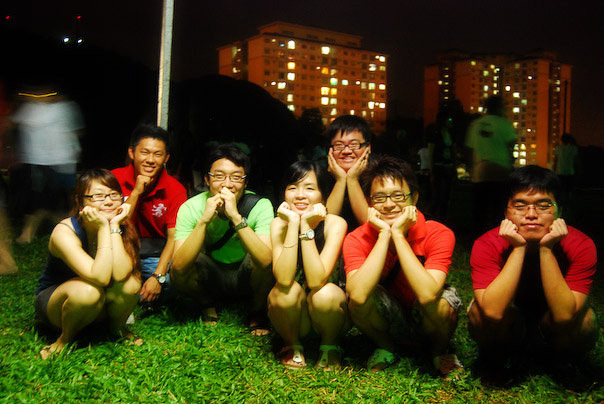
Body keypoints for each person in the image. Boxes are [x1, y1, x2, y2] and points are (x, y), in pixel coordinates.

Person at [343, 155, 462, 376]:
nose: (389, 204)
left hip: (424, 312)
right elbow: (357, 296)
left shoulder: (438, 233)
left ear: (413, 198)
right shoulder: (356, 239)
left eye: (398, 195)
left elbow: (428, 295)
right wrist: (383, 235)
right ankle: (386, 347)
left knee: (441, 303)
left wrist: (398, 234)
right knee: (357, 302)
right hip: (389, 314)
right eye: (379, 197)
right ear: (369, 203)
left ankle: (438, 352)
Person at [468, 165, 598, 368]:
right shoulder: (487, 244)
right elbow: (492, 311)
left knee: (586, 322)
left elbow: (564, 316)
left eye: (543, 205)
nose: (531, 214)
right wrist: (519, 248)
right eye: (520, 205)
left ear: (559, 210)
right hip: (511, 317)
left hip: (551, 320)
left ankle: (556, 361)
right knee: (478, 313)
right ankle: (500, 359)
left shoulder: (580, 245)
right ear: (506, 212)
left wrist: (546, 249)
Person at [34, 169, 141, 359]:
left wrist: (113, 226)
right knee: (89, 291)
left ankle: (117, 329)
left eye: (114, 195)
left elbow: (120, 274)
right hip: (58, 304)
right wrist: (103, 228)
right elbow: (100, 278)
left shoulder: (118, 225)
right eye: (98, 196)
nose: (108, 202)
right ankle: (64, 340)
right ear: (80, 201)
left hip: (97, 300)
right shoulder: (64, 231)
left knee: (131, 285)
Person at [171, 143, 274, 334]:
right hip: (212, 274)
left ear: (245, 182)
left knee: (265, 257)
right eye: (219, 176)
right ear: (207, 179)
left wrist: (235, 217)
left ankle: (257, 311)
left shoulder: (260, 205)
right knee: (179, 265)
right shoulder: (191, 207)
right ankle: (207, 305)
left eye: (236, 177)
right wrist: (203, 221)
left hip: (246, 274)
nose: (227, 184)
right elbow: (178, 267)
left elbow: (266, 261)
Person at [268, 161, 348, 370]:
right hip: (295, 318)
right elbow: (283, 279)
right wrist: (294, 223)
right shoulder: (279, 224)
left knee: (325, 293)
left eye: (310, 188)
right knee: (282, 292)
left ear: (323, 194)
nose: (300, 195)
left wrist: (306, 227)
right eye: (292, 188)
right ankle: (292, 344)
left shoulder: (335, 224)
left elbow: (316, 281)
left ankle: (329, 346)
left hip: (327, 314)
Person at [112, 124, 187, 306]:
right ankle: (130, 296)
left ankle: (126, 297)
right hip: (117, 247)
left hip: (154, 254)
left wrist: (158, 276)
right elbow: (116, 224)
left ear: (166, 158)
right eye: (144, 152)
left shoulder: (175, 189)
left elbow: (173, 238)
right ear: (132, 153)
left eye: (158, 154)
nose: (150, 160)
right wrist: (136, 192)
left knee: (171, 284)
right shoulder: (113, 179)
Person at [12, 87, 84, 244]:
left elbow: (76, 131)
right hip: (40, 163)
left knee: (64, 199)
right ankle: (29, 234)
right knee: (42, 200)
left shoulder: (66, 107)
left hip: (62, 161)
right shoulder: (31, 108)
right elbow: (14, 123)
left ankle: (72, 229)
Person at [465, 96, 517, 235]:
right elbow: (511, 145)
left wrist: (471, 168)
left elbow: (469, 149)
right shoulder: (505, 124)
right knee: (499, 210)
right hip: (501, 169)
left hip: (480, 171)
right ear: (499, 107)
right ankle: (498, 238)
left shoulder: (476, 124)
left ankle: (479, 238)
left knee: (480, 210)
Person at [325, 115, 372, 229]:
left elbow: (370, 225)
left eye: (354, 144)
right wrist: (340, 180)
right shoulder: (320, 178)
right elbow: (324, 226)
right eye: (339, 145)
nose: (346, 151)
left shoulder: (378, 177)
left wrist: (352, 179)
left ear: (368, 148)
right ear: (330, 149)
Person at [554, 133, 578, 217]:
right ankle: (568, 207)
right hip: (570, 172)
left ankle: (561, 208)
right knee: (569, 191)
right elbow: (575, 161)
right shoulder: (573, 148)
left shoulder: (558, 148)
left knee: (561, 191)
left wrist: (554, 170)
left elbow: (555, 160)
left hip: (560, 172)